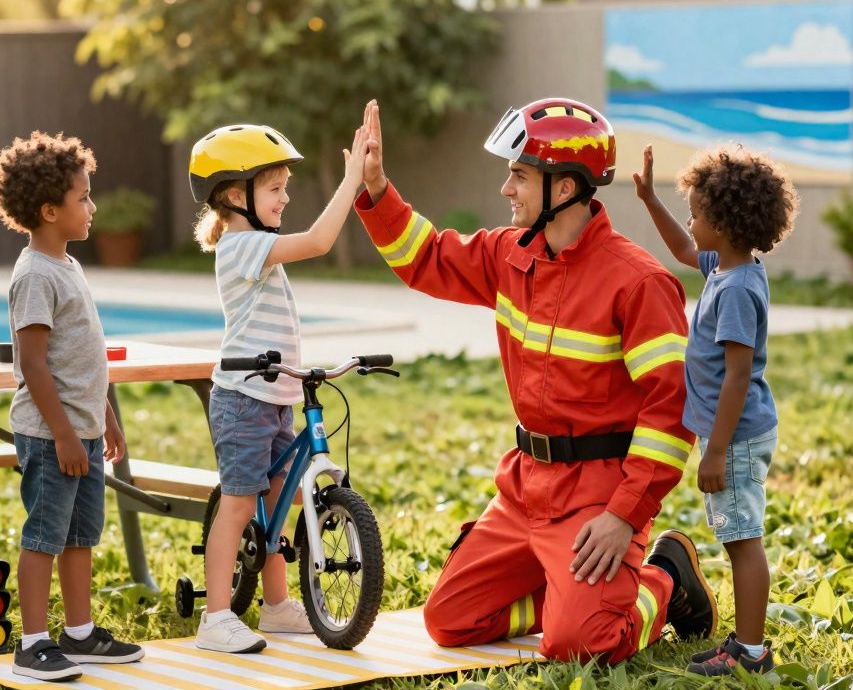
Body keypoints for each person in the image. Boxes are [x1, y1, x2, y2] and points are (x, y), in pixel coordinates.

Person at [353, 98, 715, 663]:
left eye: (519, 175)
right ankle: (570, 595)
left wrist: (623, 516)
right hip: (525, 488)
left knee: (581, 644)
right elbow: (424, 257)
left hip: (597, 497)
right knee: (450, 620)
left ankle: (664, 580)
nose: (506, 189)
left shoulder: (639, 283)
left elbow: (670, 412)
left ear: (564, 189)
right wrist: (376, 188)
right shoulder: (509, 254)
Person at [189, 103, 376, 653]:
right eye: (274, 187)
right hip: (243, 398)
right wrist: (350, 183)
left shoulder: (260, 249)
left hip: (274, 395)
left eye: (285, 186)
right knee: (242, 503)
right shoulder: (241, 246)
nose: (285, 197)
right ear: (232, 194)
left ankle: (274, 607)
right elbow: (319, 241)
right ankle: (216, 617)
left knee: (276, 501)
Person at [634, 143, 798, 676]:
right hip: (734, 434)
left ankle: (750, 653)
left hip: (738, 436)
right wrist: (650, 200)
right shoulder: (728, 267)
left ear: (724, 224)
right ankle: (744, 642)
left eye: (697, 213)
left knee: (743, 542)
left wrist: (717, 452)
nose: (691, 220)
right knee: (735, 537)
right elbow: (683, 249)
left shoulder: (736, 290)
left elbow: (736, 375)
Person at [0, 131, 145, 680]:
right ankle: (32, 644)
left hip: (80, 428)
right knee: (45, 537)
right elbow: (33, 365)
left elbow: (85, 356)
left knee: (81, 536)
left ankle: (78, 634)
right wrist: (62, 434)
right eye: (83, 198)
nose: (92, 207)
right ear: (50, 210)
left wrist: (105, 417)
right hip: (50, 433)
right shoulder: (34, 275)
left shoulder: (68, 266)